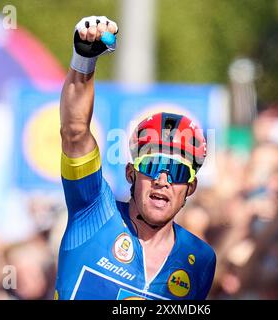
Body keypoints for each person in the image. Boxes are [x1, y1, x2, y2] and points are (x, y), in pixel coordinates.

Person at [55, 16, 216, 300]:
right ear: (131, 174)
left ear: (190, 187)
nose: (163, 181)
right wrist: (83, 61)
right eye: (153, 167)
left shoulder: (200, 259)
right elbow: (75, 132)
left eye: (177, 172)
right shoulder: (93, 210)